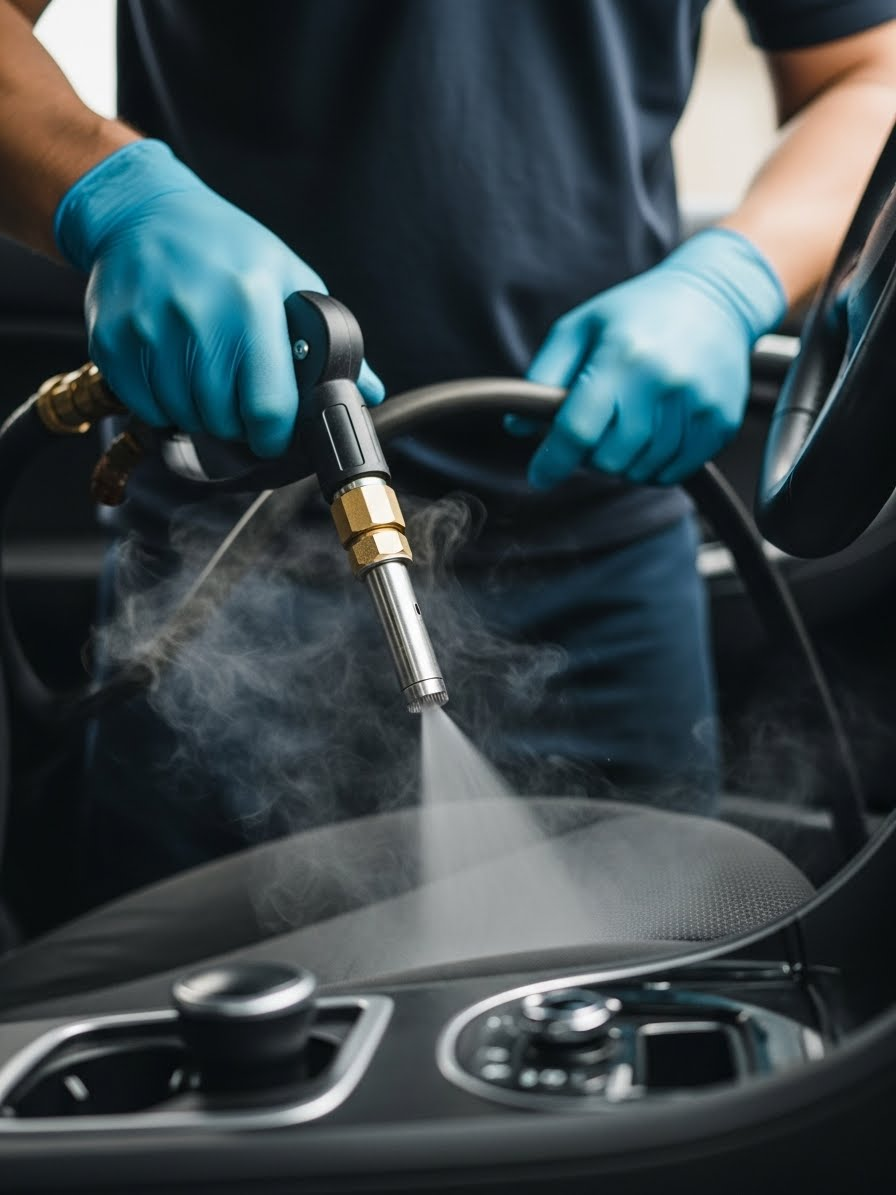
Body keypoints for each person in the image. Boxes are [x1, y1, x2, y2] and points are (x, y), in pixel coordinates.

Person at [1, 0, 895, 907]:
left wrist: (735, 275)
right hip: (218, 582)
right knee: (183, 1022)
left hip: (603, 590)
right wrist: (111, 196)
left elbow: (870, 73)